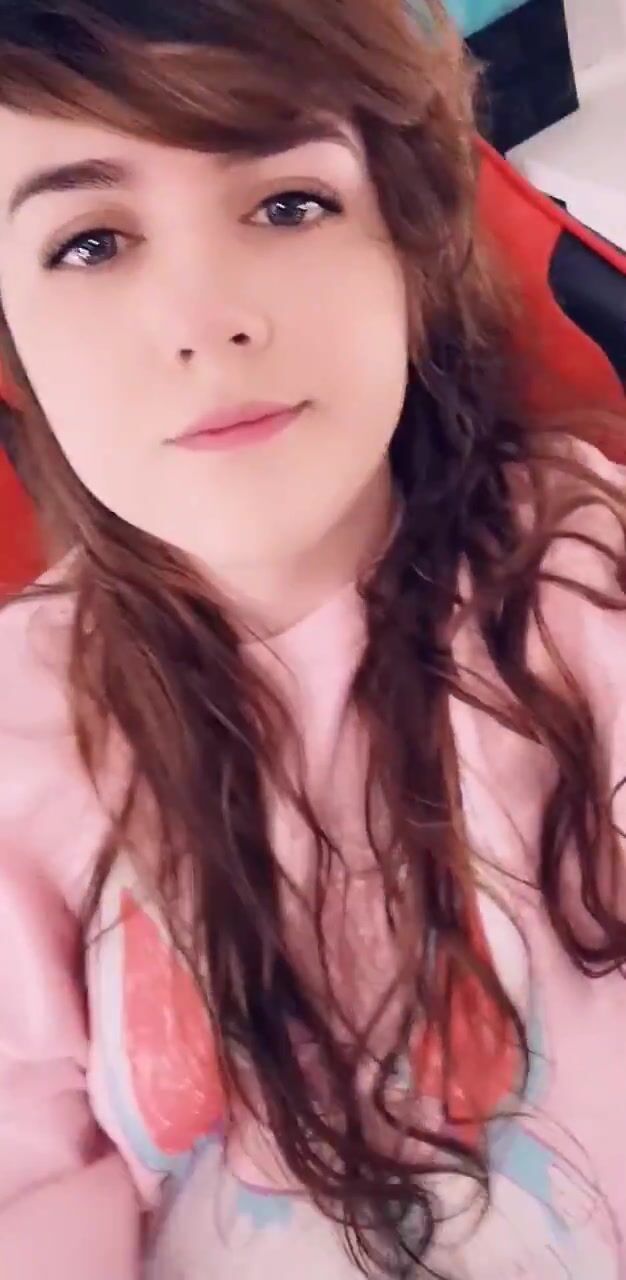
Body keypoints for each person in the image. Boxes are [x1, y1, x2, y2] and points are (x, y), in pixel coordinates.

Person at [0, 1, 625, 1277]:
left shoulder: (584, 576)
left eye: (288, 205)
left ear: (408, 251)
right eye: (90, 241)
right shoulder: (22, 742)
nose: (206, 319)